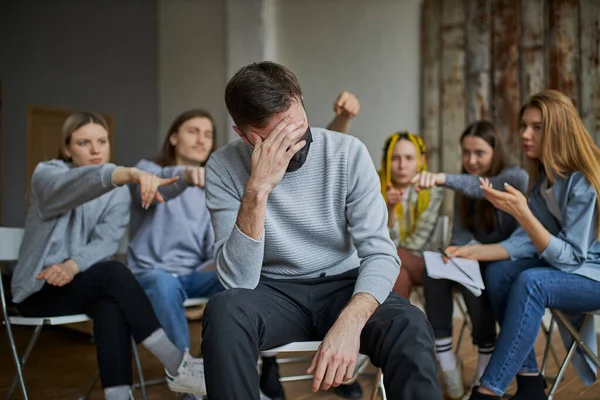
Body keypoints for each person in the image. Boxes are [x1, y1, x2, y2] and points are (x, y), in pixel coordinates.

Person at [201, 61, 443, 400]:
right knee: (224, 311)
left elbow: (380, 253)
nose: (295, 145)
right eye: (275, 140)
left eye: (297, 127)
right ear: (243, 135)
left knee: (410, 324)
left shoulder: (347, 153)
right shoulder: (223, 167)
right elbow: (237, 282)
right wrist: (257, 190)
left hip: (343, 285)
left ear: (300, 99)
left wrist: (350, 322)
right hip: (272, 291)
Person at [10, 111, 207, 399]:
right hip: (39, 289)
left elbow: (106, 241)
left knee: (110, 304)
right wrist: (126, 173)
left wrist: (72, 266)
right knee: (114, 273)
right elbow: (75, 186)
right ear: (66, 149)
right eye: (83, 142)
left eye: (102, 141)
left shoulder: (114, 194)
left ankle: (119, 396)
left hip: (77, 283)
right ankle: (177, 364)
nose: (95, 149)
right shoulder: (47, 174)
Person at [444, 90, 600, 400]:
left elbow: (570, 258)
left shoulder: (582, 180)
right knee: (501, 271)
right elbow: (525, 243)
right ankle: (529, 382)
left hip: (593, 276)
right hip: (571, 272)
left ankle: (487, 391)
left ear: (559, 129)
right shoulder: (544, 183)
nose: (525, 134)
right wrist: (471, 252)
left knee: (532, 282)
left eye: (537, 126)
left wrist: (522, 212)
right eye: (524, 125)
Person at [412, 121, 528, 399]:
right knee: (435, 271)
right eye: (466, 153)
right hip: (474, 260)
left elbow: (486, 187)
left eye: (479, 153)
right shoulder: (465, 192)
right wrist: (454, 251)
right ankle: (447, 362)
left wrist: (441, 178)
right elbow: (460, 236)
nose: (471, 160)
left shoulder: (516, 176)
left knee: (481, 276)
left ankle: (485, 366)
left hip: (507, 260)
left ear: (495, 152)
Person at [127, 109, 224, 355]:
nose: (201, 140)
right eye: (193, 131)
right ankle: (184, 378)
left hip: (192, 276)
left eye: (208, 134)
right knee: (164, 283)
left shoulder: (210, 190)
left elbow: (211, 250)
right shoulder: (146, 170)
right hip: (151, 274)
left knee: (240, 278)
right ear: (173, 138)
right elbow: (154, 188)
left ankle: (216, 364)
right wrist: (185, 177)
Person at [380, 131, 444, 299]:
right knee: (399, 274)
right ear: (386, 161)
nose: (402, 166)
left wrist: (389, 250)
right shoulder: (374, 186)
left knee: (391, 262)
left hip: (421, 261)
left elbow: (416, 244)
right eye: (395, 158)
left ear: (420, 160)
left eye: (409, 158)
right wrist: (390, 208)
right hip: (390, 260)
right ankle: (399, 324)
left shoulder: (432, 191)